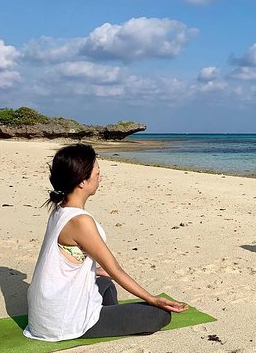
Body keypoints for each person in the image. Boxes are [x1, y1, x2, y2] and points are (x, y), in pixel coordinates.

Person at [24, 143, 187, 342]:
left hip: (43, 316)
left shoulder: (59, 209)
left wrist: (97, 270)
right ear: (82, 181)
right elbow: (116, 270)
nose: (100, 177)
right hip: (63, 322)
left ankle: (111, 316)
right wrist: (152, 299)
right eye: (97, 172)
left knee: (105, 283)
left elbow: (69, 259)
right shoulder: (81, 221)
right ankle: (108, 320)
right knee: (159, 315)